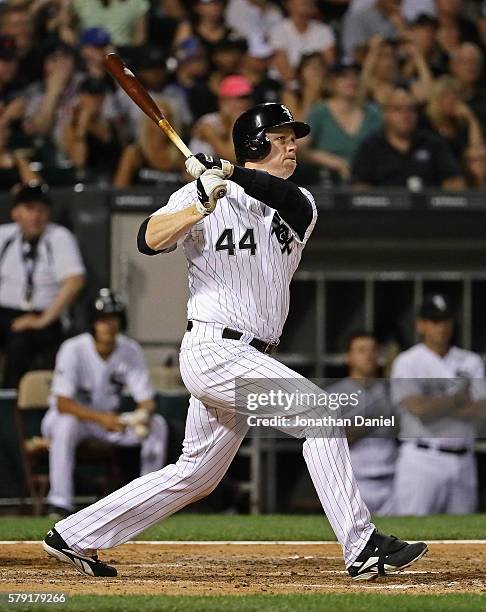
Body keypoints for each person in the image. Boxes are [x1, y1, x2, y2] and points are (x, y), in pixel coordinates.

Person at [43, 102, 427, 580]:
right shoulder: (201, 193)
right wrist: (197, 203)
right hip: (214, 348)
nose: (292, 147)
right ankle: (361, 544)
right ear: (256, 144)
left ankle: (76, 535)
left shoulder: (300, 201)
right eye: (282, 139)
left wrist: (226, 173)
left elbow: (272, 194)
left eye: (293, 139)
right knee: (320, 414)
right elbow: (147, 238)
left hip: (249, 354)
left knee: (196, 475)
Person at [41, 288, 168, 519]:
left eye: (113, 318)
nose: (108, 325)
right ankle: (60, 502)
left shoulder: (130, 349)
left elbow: (147, 401)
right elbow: (63, 404)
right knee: (65, 424)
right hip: (76, 419)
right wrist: (103, 419)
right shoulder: (73, 349)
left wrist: (142, 414)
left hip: (109, 420)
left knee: (157, 425)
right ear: (92, 323)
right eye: (102, 319)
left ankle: (149, 502)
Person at [390, 294, 485, 515]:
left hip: (464, 459)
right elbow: (419, 410)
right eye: (434, 321)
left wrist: (437, 404)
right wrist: (459, 400)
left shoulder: (470, 361)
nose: (441, 327)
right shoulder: (408, 362)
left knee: (462, 539)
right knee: (412, 535)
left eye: (445, 320)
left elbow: (483, 410)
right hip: (422, 459)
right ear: (421, 324)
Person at [0, 184, 85, 388]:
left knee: (19, 344)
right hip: (5, 312)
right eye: (30, 209)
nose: (36, 216)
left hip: (44, 317)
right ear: (16, 212)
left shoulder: (58, 237)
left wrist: (41, 320)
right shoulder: (4, 235)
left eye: (41, 209)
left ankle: (9, 407)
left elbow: (74, 281)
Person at [326, 332, 398, 516]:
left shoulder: (391, 390)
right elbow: (331, 439)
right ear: (348, 357)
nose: (368, 355)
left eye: (373, 350)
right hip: (354, 482)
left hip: (392, 480)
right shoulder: (334, 395)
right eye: (361, 350)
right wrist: (372, 418)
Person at [351, 85, 465, 189]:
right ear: (385, 114)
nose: (405, 115)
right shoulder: (371, 146)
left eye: (410, 109)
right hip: (385, 209)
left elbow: (454, 180)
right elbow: (359, 185)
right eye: (398, 109)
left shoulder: (433, 143)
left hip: (427, 209)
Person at [300, 58, 382, 182]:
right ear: (331, 82)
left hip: (371, 182)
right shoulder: (320, 112)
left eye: (355, 75)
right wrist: (334, 162)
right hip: (328, 182)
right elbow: (300, 149)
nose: (351, 80)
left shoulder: (373, 112)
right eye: (343, 76)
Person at [189, 75, 253, 161]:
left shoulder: (249, 123)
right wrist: (236, 122)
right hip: (200, 173)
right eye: (238, 98)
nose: (243, 103)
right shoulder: (207, 123)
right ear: (222, 101)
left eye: (246, 98)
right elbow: (231, 156)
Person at [269, 0, 335, 81]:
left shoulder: (323, 30)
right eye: (303, 4)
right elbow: (283, 67)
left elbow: (329, 63)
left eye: (309, 3)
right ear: (289, 5)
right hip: (284, 82)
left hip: (318, 82)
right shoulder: (278, 30)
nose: (306, 6)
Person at [423, 76, 484, 163]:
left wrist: (471, 120)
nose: (453, 99)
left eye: (456, 95)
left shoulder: (461, 125)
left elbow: (477, 151)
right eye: (447, 95)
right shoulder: (426, 122)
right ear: (436, 99)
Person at [342, 0, 406, 58]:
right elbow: (352, 52)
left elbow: (406, 53)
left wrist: (402, 29)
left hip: (396, 68)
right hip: (363, 67)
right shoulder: (358, 17)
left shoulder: (402, 21)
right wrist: (374, 45)